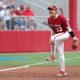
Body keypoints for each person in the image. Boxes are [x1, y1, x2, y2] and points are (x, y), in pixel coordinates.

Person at [46, 5, 78, 77]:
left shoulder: (61, 18)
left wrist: (74, 37)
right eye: (49, 9)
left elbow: (68, 28)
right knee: (61, 54)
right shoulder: (49, 19)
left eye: (52, 9)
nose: (50, 11)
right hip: (58, 36)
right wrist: (52, 39)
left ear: (56, 11)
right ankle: (62, 71)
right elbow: (52, 30)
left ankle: (52, 56)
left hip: (65, 34)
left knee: (52, 38)